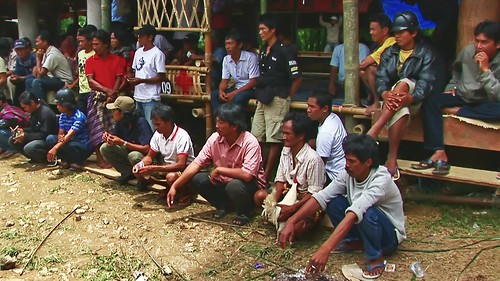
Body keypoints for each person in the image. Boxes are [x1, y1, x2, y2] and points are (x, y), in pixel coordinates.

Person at [279, 134, 406, 279]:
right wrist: (292, 221)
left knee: (366, 212)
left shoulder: (380, 179)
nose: (347, 165)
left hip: (389, 237)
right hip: (365, 224)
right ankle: (355, 241)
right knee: (333, 201)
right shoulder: (348, 174)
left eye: (352, 161)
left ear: (368, 162)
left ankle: (375, 257)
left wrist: (325, 248)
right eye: (346, 159)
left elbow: (355, 212)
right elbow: (322, 196)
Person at [412, 21, 500, 176]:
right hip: (463, 96)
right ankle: (438, 151)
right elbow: (456, 71)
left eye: (484, 42)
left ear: (497, 44)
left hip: (488, 101)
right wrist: (451, 88)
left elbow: (497, 95)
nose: (479, 46)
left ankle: (460, 111)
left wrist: (485, 70)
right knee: (431, 101)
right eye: (477, 41)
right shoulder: (468, 51)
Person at [366, 11, 446, 180]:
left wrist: (410, 97)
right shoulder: (390, 52)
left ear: (414, 33)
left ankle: (375, 129)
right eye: (395, 33)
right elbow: (381, 78)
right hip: (393, 103)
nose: (397, 36)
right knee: (401, 110)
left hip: (416, 101)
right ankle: (392, 157)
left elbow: (426, 82)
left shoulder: (426, 54)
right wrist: (385, 93)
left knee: (404, 83)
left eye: (401, 32)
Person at [167, 103, 266, 226]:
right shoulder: (214, 138)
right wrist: (175, 186)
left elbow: (247, 175)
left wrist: (219, 170)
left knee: (234, 185)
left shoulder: (250, 142)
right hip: (224, 183)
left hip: (248, 187)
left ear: (234, 126)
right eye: (216, 122)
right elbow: (196, 164)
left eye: (221, 123)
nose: (217, 126)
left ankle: (244, 212)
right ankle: (224, 206)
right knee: (196, 179)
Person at [251, 13, 302, 182]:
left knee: (274, 139)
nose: (260, 32)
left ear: (273, 30)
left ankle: (266, 176)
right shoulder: (263, 51)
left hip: (278, 97)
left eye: (263, 29)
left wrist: (287, 97)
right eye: (259, 29)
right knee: (256, 135)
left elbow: (297, 77)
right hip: (263, 97)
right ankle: (255, 169)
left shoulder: (284, 51)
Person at [273, 112, 325, 236]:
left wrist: (292, 208)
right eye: (283, 133)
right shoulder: (286, 150)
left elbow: (314, 194)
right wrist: (273, 203)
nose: (284, 137)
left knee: (296, 230)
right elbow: (280, 180)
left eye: (287, 134)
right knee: (260, 196)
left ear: (301, 136)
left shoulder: (313, 159)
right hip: (288, 195)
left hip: (305, 201)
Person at [86, 29, 126, 168]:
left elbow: (119, 78)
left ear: (106, 44)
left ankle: (112, 156)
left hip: (114, 97)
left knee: (113, 128)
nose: (94, 47)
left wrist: (113, 93)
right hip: (97, 98)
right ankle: (99, 158)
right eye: (93, 44)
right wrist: (107, 91)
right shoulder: (90, 61)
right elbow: (90, 81)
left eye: (97, 44)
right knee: (96, 129)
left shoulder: (118, 60)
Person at [132, 104, 194, 191]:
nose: (155, 127)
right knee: (139, 172)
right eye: (154, 124)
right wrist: (140, 165)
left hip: (185, 170)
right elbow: (150, 156)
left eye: (158, 124)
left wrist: (154, 168)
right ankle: (168, 188)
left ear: (169, 122)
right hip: (167, 168)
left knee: (171, 177)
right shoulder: (158, 134)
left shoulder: (182, 136)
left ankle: (184, 191)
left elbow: (180, 165)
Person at [101, 96, 153, 184]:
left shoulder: (141, 122)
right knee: (105, 148)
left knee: (134, 156)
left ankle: (144, 178)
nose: (112, 112)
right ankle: (127, 173)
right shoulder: (120, 122)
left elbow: (147, 148)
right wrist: (108, 138)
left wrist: (123, 143)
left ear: (123, 113)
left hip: (143, 157)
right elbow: (115, 137)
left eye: (114, 110)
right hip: (127, 151)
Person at [128, 24, 166, 130]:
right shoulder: (138, 52)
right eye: (138, 36)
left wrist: (141, 80)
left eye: (142, 36)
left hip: (151, 97)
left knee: (152, 127)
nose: (139, 38)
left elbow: (161, 77)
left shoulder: (157, 54)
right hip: (138, 96)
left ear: (150, 37)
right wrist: (131, 78)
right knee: (139, 127)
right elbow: (134, 70)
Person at [211, 30, 259, 113]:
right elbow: (224, 81)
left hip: (252, 89)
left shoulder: (251, 57)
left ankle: (235, 122)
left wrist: (233, 93)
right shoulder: (226, 59)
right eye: (226, 44)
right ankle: (219, 120)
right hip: (238, 87)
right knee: (215, 95)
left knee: (239, 98)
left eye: (230, 44)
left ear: (240, 45)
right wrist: (221, 91)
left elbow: (253, 82)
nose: (227, 47)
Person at [46, 88, 92, 170]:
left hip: (81, 144)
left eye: (59, 104)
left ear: (66, 105)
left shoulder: (79, 117)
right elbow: (61, 132)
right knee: (50, 139)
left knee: (69, 145)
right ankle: (66, 160)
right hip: (70, 140)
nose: (57, 107)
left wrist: (55, 148)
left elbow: (70, 135)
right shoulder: (63, 115)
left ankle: (79, 161)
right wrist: (60, 137)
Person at [306, 92, 346, 185]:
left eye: (312, 107)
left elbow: (319, 165)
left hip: (333, 176)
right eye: (308, 106)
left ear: (325, 109)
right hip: (341, 169)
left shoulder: (325, 132)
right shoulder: (334, 117)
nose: (308, 110)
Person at [360, 14, 396, 115]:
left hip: (394, 79)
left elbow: (363, 63)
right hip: (385, 79)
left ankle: (376, 102)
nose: (371, 33)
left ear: (385, 30)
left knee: (369, 69)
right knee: (362, 72)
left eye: (373, 29)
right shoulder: (377, 45)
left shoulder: (390, 42)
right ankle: (373, 98)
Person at [9, 91, 58, 163]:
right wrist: (22, 131)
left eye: (25, 107)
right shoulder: (34, 112)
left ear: (32, 103)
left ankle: (46, 158)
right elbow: (33, 128)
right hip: (37, 136)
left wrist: (25, 136)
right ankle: (34, 158)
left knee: (29, 147)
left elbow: (44, 135)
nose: (24, 110)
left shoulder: (46, 113)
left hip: (47, 140)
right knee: (13, 139)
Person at [25, 30, 73, 102]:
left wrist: (38, 59)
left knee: (37, 82)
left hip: (63, 81)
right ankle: (32, 103)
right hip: (53, 79)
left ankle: (41, 105)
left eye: (38, 41)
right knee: (28, 81)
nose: (36, 44)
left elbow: (40, 74)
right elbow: (37, 73)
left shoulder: (52, 54)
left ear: (45, 42)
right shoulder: (45, 52)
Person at [65, 25, 97, 115]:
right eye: (79, 41)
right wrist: (73, 85)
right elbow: (81, 73)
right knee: (81, 116)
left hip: (92, 91)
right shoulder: (80, 53)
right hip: (82, 90)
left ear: (90, 41)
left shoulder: (95, 54)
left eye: (82, 41)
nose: (80, 44)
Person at [0, 92, 29, 159]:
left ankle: (11, 149)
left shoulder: (8, 112)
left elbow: (4, 123)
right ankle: (3, 147)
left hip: (22, 135)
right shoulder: (5, 109)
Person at [9, 38, 36, 106]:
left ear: (27, 49)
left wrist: (22, 78)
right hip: (22, 80)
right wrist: (14, 78)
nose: (19, 52)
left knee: (28, 81)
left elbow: (35, 74)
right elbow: (17, 73)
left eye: (21, 49)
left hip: (32, 80)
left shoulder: (34, 58)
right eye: (17, 50)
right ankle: (16, 106)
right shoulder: (18, 59)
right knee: (17, 83)